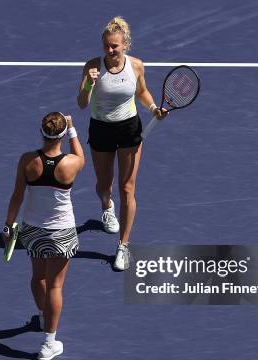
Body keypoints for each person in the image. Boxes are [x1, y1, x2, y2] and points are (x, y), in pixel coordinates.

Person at [77, 16, 167, 271]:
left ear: (125, 44)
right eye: (106, 46)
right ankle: (106, 207)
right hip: (101, 129)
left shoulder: (137, 66)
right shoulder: (92, 67)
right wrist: (88, 84)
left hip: (128, 129)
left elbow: (141, 91)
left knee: (127, 188)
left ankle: (123, 246)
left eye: (115, 46)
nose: (110, 50)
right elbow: (82, 104)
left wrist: (152, 108)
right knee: (104, 185)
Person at [3, 112, 85, 360]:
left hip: (33, 230)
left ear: (42, 132)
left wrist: (8, 226)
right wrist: (72, 129)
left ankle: (42, 316)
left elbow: (17, 195)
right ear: (60, 134)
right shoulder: (71, 164)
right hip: (62, 233)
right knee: (55, 286)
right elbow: (81, 156)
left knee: (38, 277)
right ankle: (49, 342)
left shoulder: (27, 161)